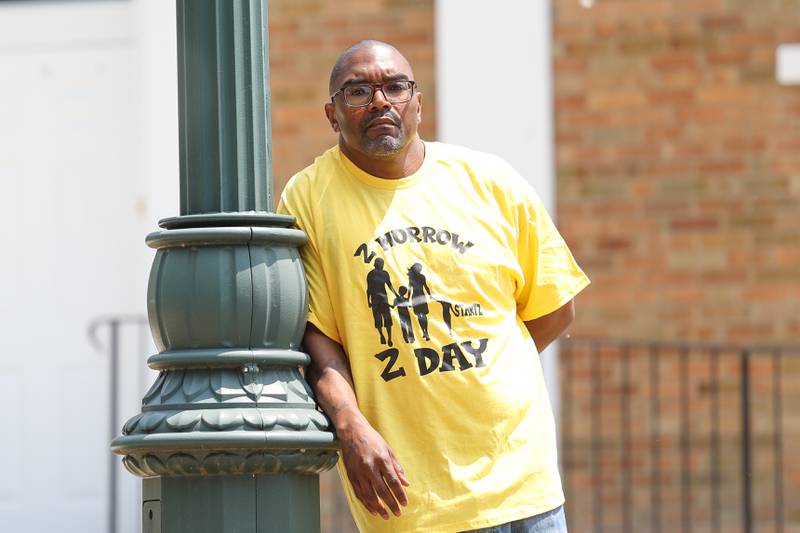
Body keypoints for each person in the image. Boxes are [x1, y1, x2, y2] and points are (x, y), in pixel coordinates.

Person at [278, 40, 589, 533]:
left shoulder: (490, 181)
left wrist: (486, 371)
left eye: (395, 87)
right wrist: (350, 425)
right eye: (358, 91)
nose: (380, 101)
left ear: (418, 103)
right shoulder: (309, 197)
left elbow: (555, 307)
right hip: (411, 499)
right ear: (332, 115)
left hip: (524, 488)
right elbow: (317, 338)